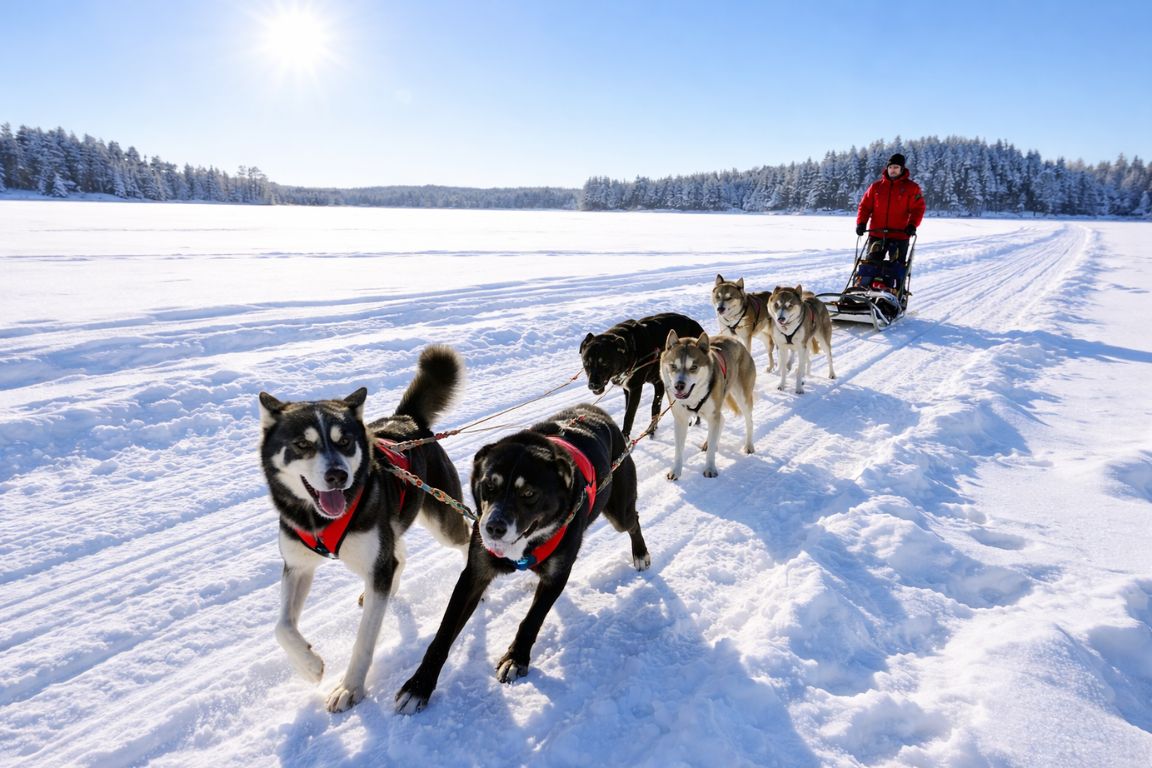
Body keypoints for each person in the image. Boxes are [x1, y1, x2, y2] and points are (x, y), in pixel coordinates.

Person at [854, 153, 925, 290]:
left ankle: (896, 295)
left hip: (900, 235)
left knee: (896, 267)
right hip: (877, 233)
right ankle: (863, 292)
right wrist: (861, 223)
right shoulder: (876, 187)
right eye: (891, 167)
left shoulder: (912, 188)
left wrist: (912, 225)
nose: (893, 170)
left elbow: (918, 208)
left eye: (896, 167)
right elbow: (865, 206)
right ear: (887, 168)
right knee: (870, 264)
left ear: (902, 169)